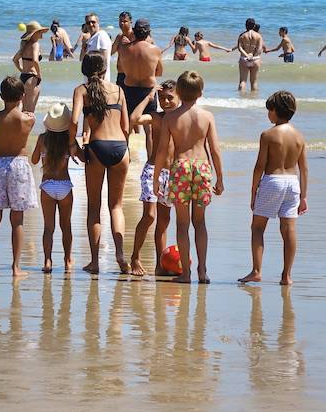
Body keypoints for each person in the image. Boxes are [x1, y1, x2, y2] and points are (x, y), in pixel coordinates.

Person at [157, 71, 224, 284]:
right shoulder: (207, 117)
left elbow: (162, 152)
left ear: (177, 92)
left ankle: (185, 273)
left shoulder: (170, 118)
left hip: (180, 168)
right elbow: (215, 150)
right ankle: (202, 271)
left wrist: (156, 177)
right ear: (201, 93)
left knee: (182, 224)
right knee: (200, 223)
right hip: (202, 167)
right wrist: (220, 178)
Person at [238, 91, 308, 286]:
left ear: (275, 111)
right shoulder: (299, 137)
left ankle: (256, 270)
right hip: (292, 183)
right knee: (289, 230)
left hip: (272, 181)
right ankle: (286, 275)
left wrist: (253, 192)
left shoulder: (268, 135)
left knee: (258, 227)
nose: (268, 114)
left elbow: (260, 166)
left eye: (269, 110)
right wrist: (304, 196)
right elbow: (304, 168)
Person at [71, 52, 130, 274]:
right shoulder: (118, 90)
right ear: (106, 69)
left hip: (96, 147)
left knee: (94, 207)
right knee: (116, 206)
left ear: (84, 70)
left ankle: (95, 262)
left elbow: (75, 120)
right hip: (120, 148)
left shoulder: (82, 90)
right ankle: (120, 253)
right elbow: (126, 126)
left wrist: (72, 145)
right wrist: (127, 151)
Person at [0, 76, 37, 277]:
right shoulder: (28, 119)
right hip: (18, 166)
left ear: (1, 96)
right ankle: (15, 266)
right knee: (17, 219)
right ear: (22, 96)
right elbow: (29, 110)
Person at [129, 80, 177, 277]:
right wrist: (148, 97)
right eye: (162, 97)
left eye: (170, 97)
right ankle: (135, 257)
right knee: (149, 216)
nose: (165, 101)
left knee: (164, 221)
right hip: (152, 171)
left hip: (171, 175)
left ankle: (160, 264)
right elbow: (134, 118)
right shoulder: (156, 117)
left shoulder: (182, 118)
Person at [30, 102, 76, 274]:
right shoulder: (69, 141)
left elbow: (34, 160)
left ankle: (48, 260)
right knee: (66, 226)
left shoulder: (42, 139)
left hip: (48, 186)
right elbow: (82, 156)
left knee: (48, 227)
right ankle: (67, 260)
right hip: (65, 185)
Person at [118, 18, 162, 129]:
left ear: (134, 31)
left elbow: (122, 69)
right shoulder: (155, 50)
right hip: (148, 89)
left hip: (129, 88)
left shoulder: (124, 49)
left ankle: (125, 147)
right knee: (149, 129)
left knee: (127, 125)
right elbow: (160, 72)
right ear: (148, 32)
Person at [12, 21, 45, 114]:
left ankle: (19, 128)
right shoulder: (35, 45)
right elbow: (35, 60)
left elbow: (15, 60)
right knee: (30, 112)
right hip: (32, 78)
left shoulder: (24, 45)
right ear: (35, 33)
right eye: (40, 32)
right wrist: (39, 75)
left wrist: (22, 70)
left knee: (23, 110)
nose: (41, 34)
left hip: (23, 78)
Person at [235, 18, 266, 92]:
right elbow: (259, 48)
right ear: (254, 26)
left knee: (243, 81)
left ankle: (241, 99)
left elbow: (239, 47)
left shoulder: (242, 35)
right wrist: (253, 55)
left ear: (245, 25)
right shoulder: (258, 36)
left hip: (244, 59)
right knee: (254, 82)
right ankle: (253, 99)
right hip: (255, 59)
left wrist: (246, 55)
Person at [80, 13, 113, 79]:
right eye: (88, 23)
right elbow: (81, 59)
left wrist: (102, 81)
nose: (91, 25)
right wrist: (84, 45)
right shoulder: (91, 38)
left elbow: (105, 60)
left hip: (99, 82)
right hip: (91, 81)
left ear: (98, 23)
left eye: (93, 22)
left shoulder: (101, 36)